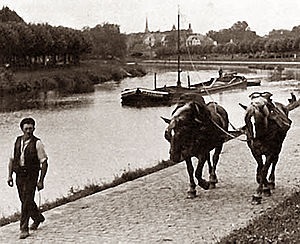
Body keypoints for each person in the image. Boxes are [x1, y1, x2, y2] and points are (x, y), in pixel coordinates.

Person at [7, 117, 48, 239]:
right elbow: (11, 160)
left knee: (26, 200)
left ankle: (23, 228)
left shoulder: (37, 143)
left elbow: (44, 162)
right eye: (26, 129)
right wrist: (9, 176)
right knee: (24, 199)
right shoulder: (17, 141)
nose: (29, 131)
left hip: (32, 175)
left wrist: (41, 180)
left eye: (31, 128)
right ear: (22, 129)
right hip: (19, 175)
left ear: (34, 128)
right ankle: (38, 218)